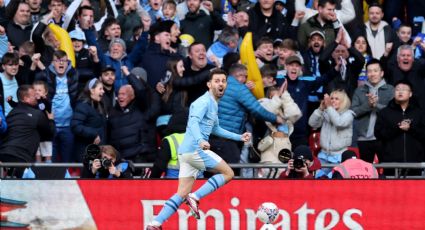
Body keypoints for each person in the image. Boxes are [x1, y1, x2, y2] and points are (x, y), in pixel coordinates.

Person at [146, 69, 251, 229]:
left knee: (181, 194)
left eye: (223, 81)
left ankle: (155, 222)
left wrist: (238, 137)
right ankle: (195, 196)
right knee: (228, 173)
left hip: (187, 153)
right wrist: (201, 140)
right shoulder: (203, 102)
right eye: (217, 81)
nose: (221, 84)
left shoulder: (213, 103)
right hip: (195, 149)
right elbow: (193, 122)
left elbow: (216, 128)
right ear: (209, 84)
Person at [0, 85, 55, 178]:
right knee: (17, 190)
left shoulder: (11, 113)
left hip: (3, 155)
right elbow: (50, 133)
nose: (37, 97)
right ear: (26, 98)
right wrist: (51, 120)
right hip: (20, 159)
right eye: (34, 95)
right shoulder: (37, 114)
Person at [375, 80, 425, 176]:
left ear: (410, 94)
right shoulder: (384, 113)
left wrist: (410, 129)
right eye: (397, 89)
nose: (400, 92)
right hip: (390, 162)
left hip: (415, 162)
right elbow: (378, 134)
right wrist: (397, 128)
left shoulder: (419, 113)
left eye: (404, 89)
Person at [351, 59, 394, 163]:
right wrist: (368, 105)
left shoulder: (391, 90)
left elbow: (393, 113)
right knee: (365, 172)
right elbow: (353, 112)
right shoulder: (359, 90)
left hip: (384, 138)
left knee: (388, 171)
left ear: (382, 73)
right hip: (363, 139)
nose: (372, 74)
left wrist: (376, 105)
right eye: (369, 71)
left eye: (375, 70)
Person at [308, 89, 355, 178]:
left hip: (339, 156)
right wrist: (320, 109)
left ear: (343, 102)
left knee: (335, 183)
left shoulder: (349, 114)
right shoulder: (327, 112)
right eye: (331, 98)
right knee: (319, 181)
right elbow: (312, 123)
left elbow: (339, 123)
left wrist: (329, 107)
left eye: (337, 99)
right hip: (323, 155)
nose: (333, 101)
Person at [71, 78, 106, 162]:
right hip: (84, 151)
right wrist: (94, 133)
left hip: (96, 150)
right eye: (100, 89)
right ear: (92, 91)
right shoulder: (82, 106)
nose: (103, 91)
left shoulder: (99, 106)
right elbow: (75, 126)